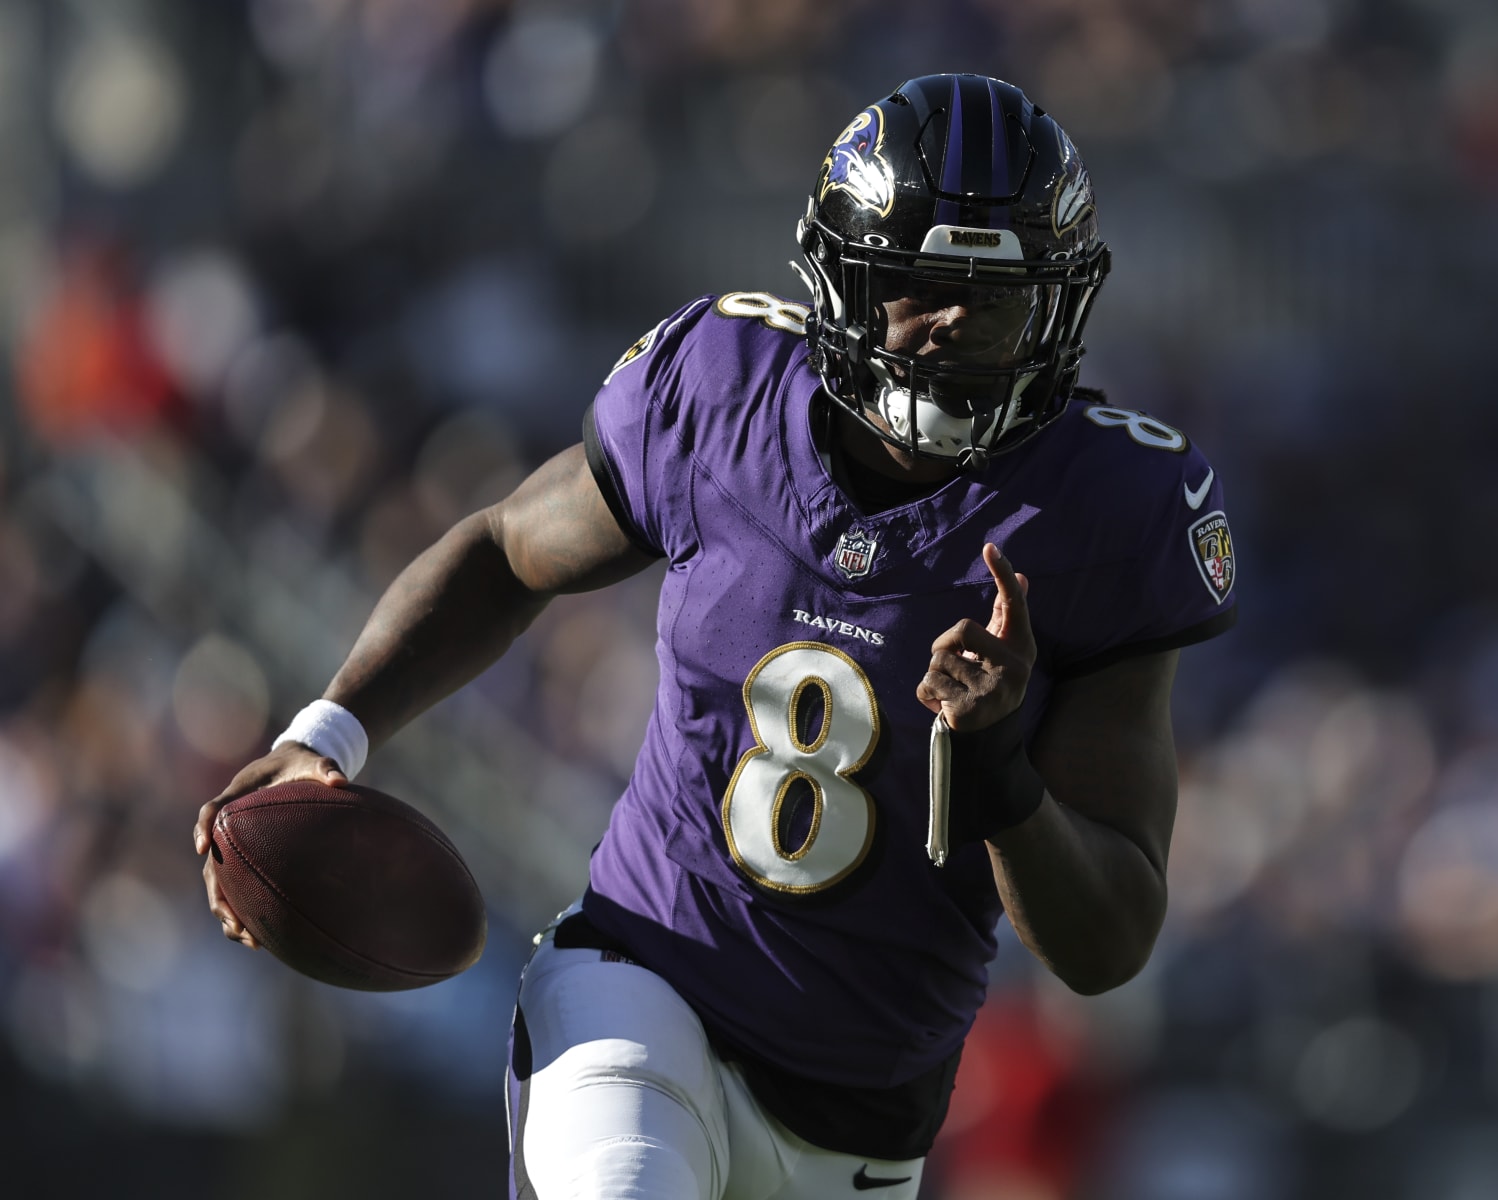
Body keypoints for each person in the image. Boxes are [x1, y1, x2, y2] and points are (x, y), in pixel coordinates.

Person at [193, 73, 1237, 1199]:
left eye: (993, 296)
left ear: (1056, 305)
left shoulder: (1110, 507)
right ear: (842, 278)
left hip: (863, 1121)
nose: (950, 324)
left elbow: (1107, 941)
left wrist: (1001, 781)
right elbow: (505, 550)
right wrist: (329, 733)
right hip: (643, 990)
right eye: (914, 284)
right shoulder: (723, 393)